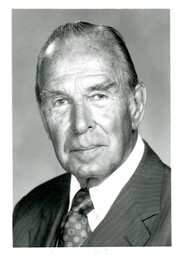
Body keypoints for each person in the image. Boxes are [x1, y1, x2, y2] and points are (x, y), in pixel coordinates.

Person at [13, 21, 171, 247]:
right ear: (44, 119)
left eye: (98, 96)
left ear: (135, 105)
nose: (80, 124)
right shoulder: (25, 213)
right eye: (60, 102)